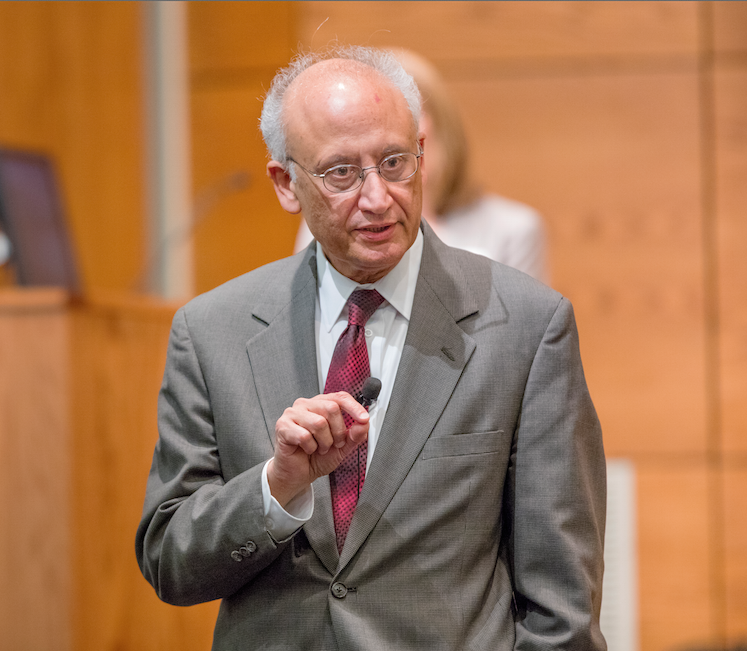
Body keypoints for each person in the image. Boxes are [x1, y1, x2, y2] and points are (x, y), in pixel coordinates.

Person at [137, 45, 606, 650]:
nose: (378, 197)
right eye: (341, 173)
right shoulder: (212, 333)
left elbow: (561, 609)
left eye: (393, 163)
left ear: (422, 156)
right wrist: (276, 489)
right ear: (286, 184)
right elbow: (171, 562)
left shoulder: (525, 328)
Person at [294, 48, 549, 283]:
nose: (377, 200)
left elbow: (523, 324)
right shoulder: (334, 218)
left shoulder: (515, 227)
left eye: (393, 158)